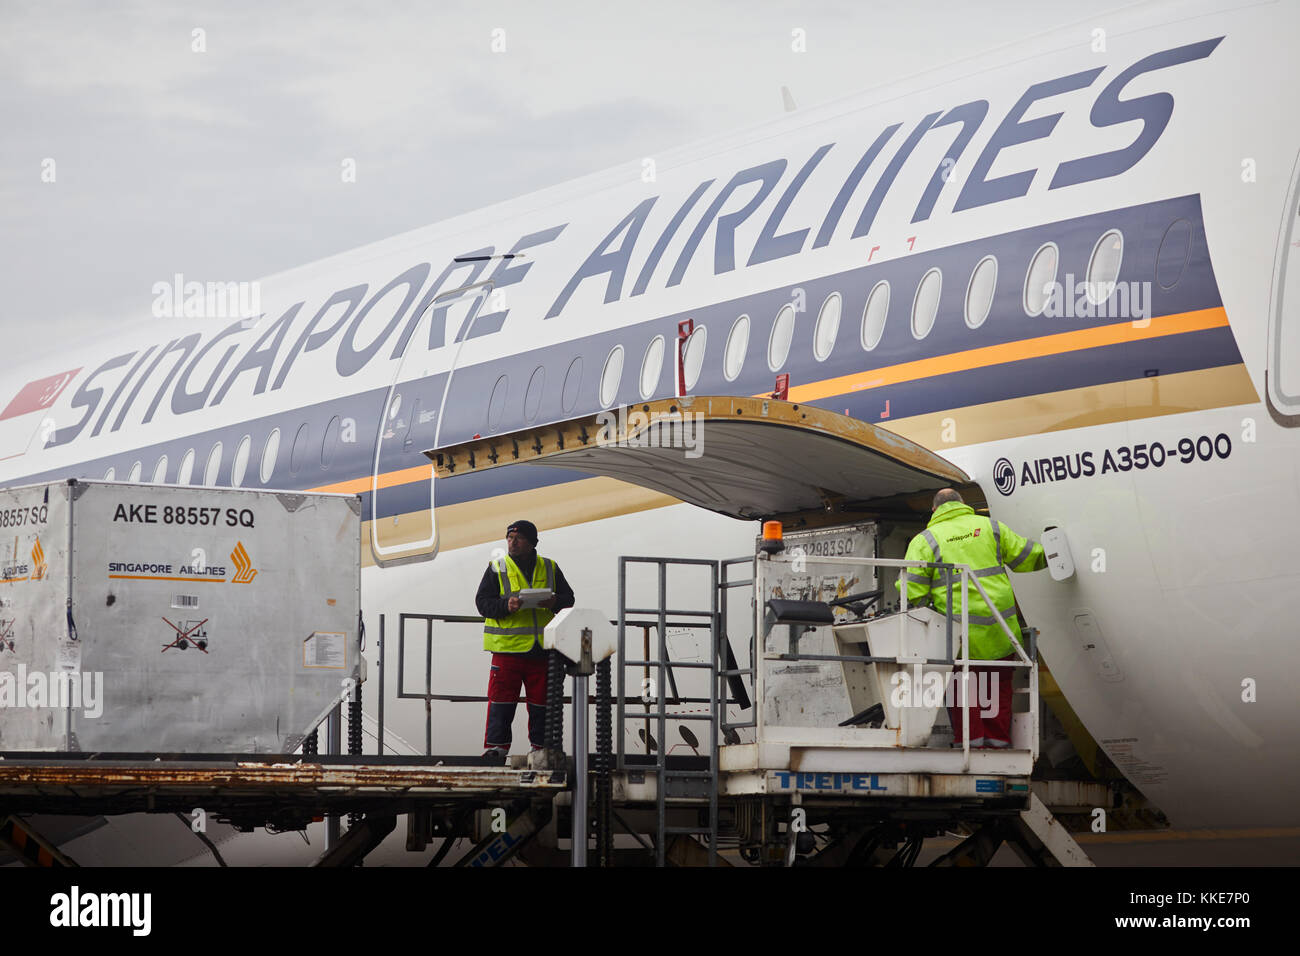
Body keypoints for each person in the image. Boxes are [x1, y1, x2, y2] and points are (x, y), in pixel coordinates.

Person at [895, 488, 1046, 749]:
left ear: (934, 510)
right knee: (998, 686)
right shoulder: (991, 527)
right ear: (962, 504)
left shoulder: (926, 540)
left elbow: (913, 590)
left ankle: (971, 744)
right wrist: (1054, 554)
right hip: (999, 627)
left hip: (960, 634)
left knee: (965, 688)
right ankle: (998, 743)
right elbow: (1027, 557)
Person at [475, 519, 575, 763]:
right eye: (509, 538)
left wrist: (554, 602)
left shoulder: (549, 567)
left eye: (518, 539)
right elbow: (482, 603)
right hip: (507, 651)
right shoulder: (497, 567)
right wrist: (505, 605)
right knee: (501, 702)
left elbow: (569, 598)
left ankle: (540, 750)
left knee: (541, 705)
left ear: (532, 543)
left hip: (540, 651)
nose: (512, 542)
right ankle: (496, 749)